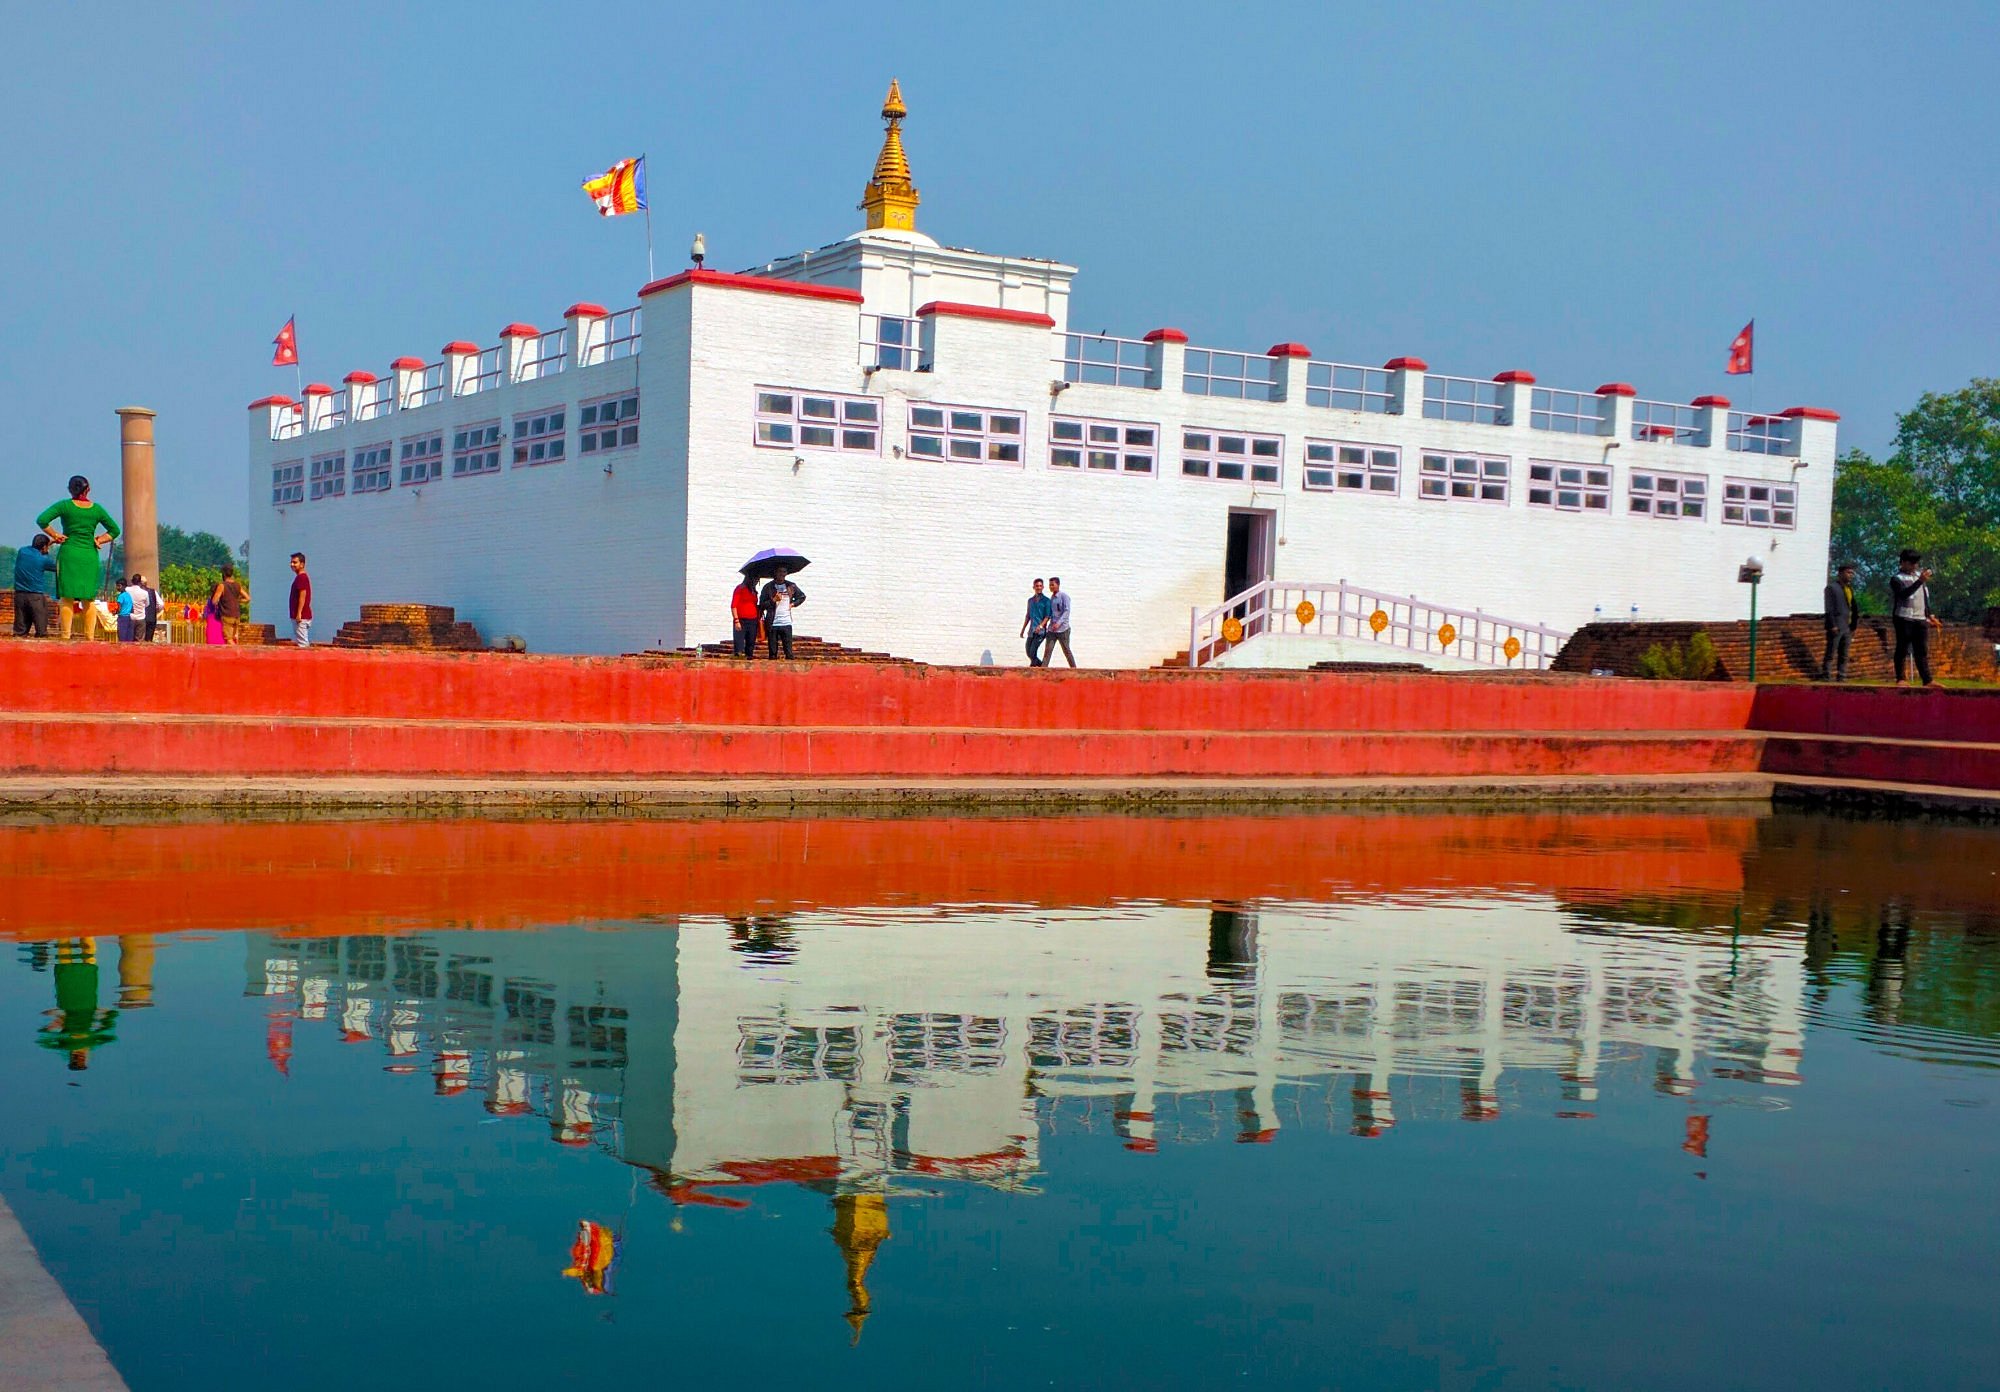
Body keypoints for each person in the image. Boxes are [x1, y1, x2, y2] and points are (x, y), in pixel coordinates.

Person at [35, 474, 120, 641]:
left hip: (69, 553)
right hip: (89, 554)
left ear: (70, 489)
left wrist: (56, 535)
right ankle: (90, 638)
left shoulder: (65, 506)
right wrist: (98, 540)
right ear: (88, 489)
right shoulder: (97, 510)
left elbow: (42, 519)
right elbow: (115, 531)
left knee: (67, 597)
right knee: (88, 598)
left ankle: (65, 636)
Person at [1889, 548, 1942, 686]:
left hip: (1920, 618)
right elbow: (1903, 594)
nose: (1915, 566)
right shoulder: (1897, 579)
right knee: (1902, 648)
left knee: (1921, 650)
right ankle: (1901, 678)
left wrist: (1929, 615)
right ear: (1903, 563)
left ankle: (1927, 680)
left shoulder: (1919, 577)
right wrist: (1919, 581)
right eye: (1911, 563)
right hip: (1903, 617)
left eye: (1916, 563)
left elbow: (1924, 597)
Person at [1820, 561, 1860, 681]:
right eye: (1848, 572)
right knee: (1831, 652)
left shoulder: (1849, 589)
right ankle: (1826, 675)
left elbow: (1853, 607)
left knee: (1844, 653)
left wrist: (1853, 625)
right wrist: (1832, 625)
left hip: (1846, 626)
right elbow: (1829, 608)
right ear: (1840, 573)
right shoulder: (1831, 588)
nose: (1850, 575)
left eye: (1852, 573)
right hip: (1836, 625)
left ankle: (1841, 675)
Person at [11, 534, 56, 638]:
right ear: (44, 547)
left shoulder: (22, 552)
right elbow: (58, 567)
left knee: (20, 631)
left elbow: (36, 548)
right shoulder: (43, 560)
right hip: (35, 596)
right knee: (41, 630)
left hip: (19, 595)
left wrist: (51, 542)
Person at [759, 568, 806, 659]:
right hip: (772, 623)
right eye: (779, 571)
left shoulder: (791, 586)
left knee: (788, 651)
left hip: (786, 622)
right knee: (772, 652)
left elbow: (802, 597)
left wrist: (793, 604)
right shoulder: (768, 587)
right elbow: (762, 605)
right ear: (775, 573)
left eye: (784, 571)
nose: (782, 574)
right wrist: (773, 600)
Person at [1041, 576, 1075, 667]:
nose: (1051, 587)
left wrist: (1059, 623)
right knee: (1048, 651)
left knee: (1066, 650)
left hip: (1063, 629)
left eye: (1053, 585)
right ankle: (1042, 670)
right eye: (1050, 585)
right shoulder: (1051, 598)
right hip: (1052, 630)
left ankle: (1074, 670)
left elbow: (1066, 611)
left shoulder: (1064, 596)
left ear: (1058, 585)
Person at [210, 563, 247, 646]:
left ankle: (239, 654)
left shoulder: (222, 585)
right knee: (235, 637)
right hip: (237, 615)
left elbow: (214, 601)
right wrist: (237, 600)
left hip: (227, 615)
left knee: (229, 639)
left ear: (223, 573)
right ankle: (236, 655)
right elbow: (248, 598)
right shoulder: (238, 585)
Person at [1020, 578, 1052, 666]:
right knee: (1028, 651)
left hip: (1040, 632)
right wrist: (1023, 629)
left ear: (1043, 587)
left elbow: (1047, 616)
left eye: (1040, 586)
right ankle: (1042, 666)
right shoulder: (1030, 601)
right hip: (1031, 630)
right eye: (1037, 586)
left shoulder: (1046, 601)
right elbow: (1028, 616)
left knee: (1032, 652)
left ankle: (1033, 669)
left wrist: (1041, 626)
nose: (1038, 587)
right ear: (1033, 587)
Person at [730, 575, 761, 658]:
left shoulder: (754, 591)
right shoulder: (740, 589)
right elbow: (734, 605)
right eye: (755, 579)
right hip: (741, 620)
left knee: (750, 644)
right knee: (739, 645)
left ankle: (749, 659)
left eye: (757, 580)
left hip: (753, 621)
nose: (756, 582)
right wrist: (736, 620)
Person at [288, 552, 313, 648]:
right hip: (301, 616)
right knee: (301, 642)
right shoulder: (300, 577)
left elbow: (303, 595)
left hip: (301, 617)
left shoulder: (302, 578)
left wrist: (299, 613)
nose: (292, 565)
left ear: (302, 564)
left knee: (303, 644)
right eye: (291, 562)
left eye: (295, 562)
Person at [122, 574, 151, 643]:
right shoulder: (145, 593)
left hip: (129, 617)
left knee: (128, 640)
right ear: (140, 582)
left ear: (132, 581)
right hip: (140, 618)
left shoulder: (127, 590)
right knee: (139, 641)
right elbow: (147, 604)